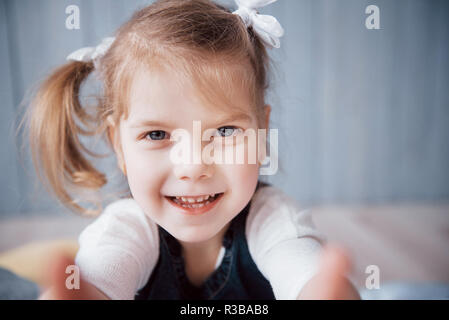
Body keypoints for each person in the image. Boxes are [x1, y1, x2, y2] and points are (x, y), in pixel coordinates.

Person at [26, 0, 360, 300]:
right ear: (119, 145)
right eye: (157, 134)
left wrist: (323, 289)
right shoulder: (126, 229)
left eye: (225, 131)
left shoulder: (272, 219)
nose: (193, 166)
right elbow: (103, 273)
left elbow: (301, 268)